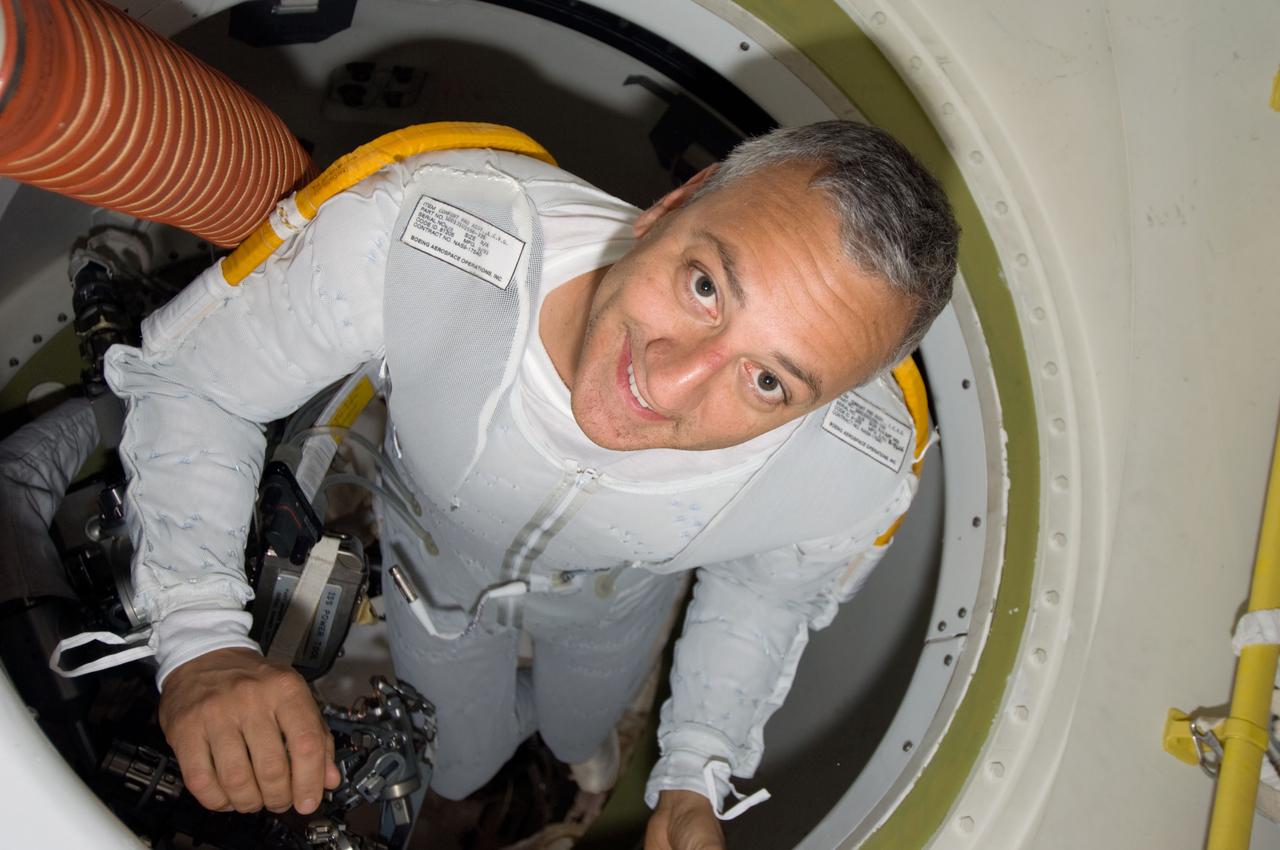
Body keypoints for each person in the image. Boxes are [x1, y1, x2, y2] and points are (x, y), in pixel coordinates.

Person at [103, 120, 958, 849]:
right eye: (705, 286)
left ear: (827, 403)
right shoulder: (417, 237)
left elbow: (767, 597)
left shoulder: (852, 469)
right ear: (677, 201)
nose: (665, 385)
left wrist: (695, 764)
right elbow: (195, 382)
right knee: (461, 760)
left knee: (576, 729)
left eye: (769, 382)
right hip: (427, 584)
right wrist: (203, 640)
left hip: (611, 614)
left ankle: (577, 753)